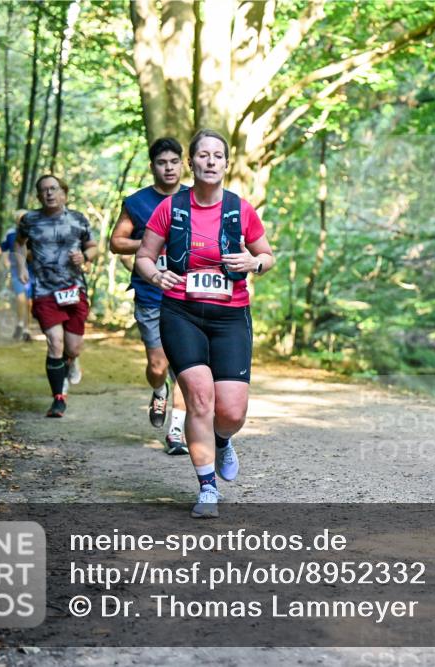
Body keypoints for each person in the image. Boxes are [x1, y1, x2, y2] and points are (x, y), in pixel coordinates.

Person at [135, 129, 275, 518]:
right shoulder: (171, 208)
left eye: (218, 156)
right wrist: (154, 276)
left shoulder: (240, 209)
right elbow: (144, 257)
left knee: (230, 413)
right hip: (181, 312)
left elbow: (266, 255)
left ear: (226, 165)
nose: (210, 162)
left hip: (231, 316)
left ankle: (222, 440)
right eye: (203, 155)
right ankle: (207, 486)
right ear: (191, 163)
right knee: (199, 397)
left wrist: (253, 263)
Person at [110, 137, 190, 455]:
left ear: (183, 163)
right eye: (161, 162)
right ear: (152, 166)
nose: (168, 168)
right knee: (158, 366)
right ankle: (159, 390)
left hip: (190, 294)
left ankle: (175, 433)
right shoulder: (138, 202)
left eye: (173, 162)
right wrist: (151, 243)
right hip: (151, 293)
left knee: (186, 367)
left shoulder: (196, 196)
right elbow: (116, 242)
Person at [16, 175, 97, 418]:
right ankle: (58, 399)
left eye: (54, 188)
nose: (49, 193)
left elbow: (93, 246)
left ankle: (71, 360)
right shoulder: (29, 220)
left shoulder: (78, 219)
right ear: (39, 196)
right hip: (44, 290)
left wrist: (86, 257)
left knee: (72, 347)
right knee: (55, 342)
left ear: (64, 192)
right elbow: (19, 244)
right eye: (44, 190)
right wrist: (21, 267)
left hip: (73, 289)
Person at [0, 209, 33, 341]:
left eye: (24, 217)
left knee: (30, 302)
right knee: (21, 298)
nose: (22, 219)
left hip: (32, 271)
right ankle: (19, 324)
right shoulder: (10, 233)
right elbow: (2, 249)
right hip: (16, 270)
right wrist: (6, 261)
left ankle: (26, 329)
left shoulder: (35, 232)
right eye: (19, 217)